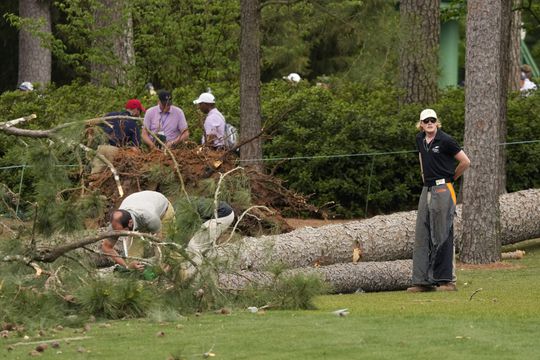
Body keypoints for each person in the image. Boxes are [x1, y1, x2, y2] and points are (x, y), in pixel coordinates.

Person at [407, 109, 470, 293]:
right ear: (421, 124)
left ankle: (446, 281)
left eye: (432, 120)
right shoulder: (420, 139)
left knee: (443, 233)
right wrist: (423, 175)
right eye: (426, 120)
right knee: (422, 233)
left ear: (437, 122)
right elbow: (421, 156)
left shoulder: (446, 140)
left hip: (443, 188)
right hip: (427, 188)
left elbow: (465, 161)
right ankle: (422, 281)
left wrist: (451, 178)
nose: (429, 123)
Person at [101, 191, 235, 277]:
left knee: (189, 248)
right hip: (138, 203)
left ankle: (187, 281)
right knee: (133, 258)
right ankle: (137, 292)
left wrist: (164, 266)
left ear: (130, 224)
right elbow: (107, 247)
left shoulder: (151, 219)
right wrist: (127, 266)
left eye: (121, 231)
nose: (118, 234)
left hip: (220, 216)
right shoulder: (116, 224)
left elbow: (164, 242)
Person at [91, 99, 144, 174]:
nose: (139, 114)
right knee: (111, 178)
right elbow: (136, 149)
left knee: (95, 175)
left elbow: (94, 125)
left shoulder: (111, 115)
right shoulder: (133, 124)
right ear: (135, 110)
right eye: (140, 111)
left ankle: (90, 184)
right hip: (114, 151)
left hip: (101, 148)